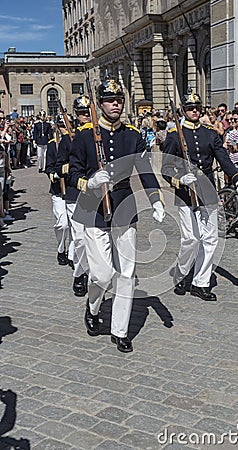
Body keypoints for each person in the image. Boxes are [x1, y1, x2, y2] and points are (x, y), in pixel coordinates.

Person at [69, 77, 165, 352]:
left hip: (124, 206)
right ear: (100, 104)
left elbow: (145, 170)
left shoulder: (132, 135)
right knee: (101, 274)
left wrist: (156, 199)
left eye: (119, 100)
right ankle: (93, 305)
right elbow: (74, 170)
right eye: (110, 100)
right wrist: (90, 181)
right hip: (92, 209)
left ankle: (120, 330)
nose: (116, 104)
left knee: (126, 273)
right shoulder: (86, 135)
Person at [162, 88, 238, 301]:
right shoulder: (174, 136)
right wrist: (180, 180)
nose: (194, 111)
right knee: (191, 238)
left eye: (197, 107)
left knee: (209, 239)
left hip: (206, 190)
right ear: (183, 110)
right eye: (190, 108)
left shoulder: (210, 133)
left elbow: (223, 158)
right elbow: (165, 168)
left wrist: (236, 178)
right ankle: (182, 274)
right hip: (184, 193)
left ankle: (201, 282)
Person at [56, 98, 90, 297]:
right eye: (82, 113)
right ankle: (80, 274)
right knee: (79, 239)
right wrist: (71, 167)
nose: (85, 116)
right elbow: (59, 166)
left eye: (88, 112)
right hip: (75, 192)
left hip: (97, 194)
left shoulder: (98, 135)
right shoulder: (69, 139)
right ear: (76, 116)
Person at [45, 118, 69, 266]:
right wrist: (54, 174)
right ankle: (61, 249)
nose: (64, 129)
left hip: (74, 189)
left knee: (76, 227)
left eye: (66, 126)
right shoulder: (53, 145)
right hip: (58, 191)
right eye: (61, 126)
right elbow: (49, 166)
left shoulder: (76, 142)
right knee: (62, 224)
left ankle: (73, 254)